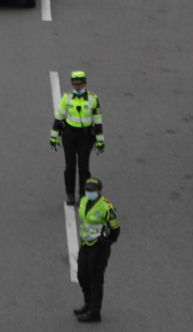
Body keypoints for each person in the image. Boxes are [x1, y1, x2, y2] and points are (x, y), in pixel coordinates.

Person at [49, 71, 104, 206]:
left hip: (86, 137)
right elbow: (59, 118)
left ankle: (83, 195)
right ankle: (70, 194)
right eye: (75, 84)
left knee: (84, 167)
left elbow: (98, 121)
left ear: (85, 83)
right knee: (70, 166)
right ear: (72, 84)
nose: (77, 87)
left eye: (80, 84)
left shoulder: (93, 99)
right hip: (69, 136)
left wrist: (100, 141)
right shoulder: (66, 98)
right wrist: (53, 137)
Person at [74, 178, 120, 324]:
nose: (89, 192)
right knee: (82, 275)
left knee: (95, 279)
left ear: (99, 191)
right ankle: (88, 304)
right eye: (87, 189)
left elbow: (115, 229)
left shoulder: (107, 207)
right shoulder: (83, 201)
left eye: (92, 190)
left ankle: (95, 313)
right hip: (86, 244)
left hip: (99, 247)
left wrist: (105, 241)